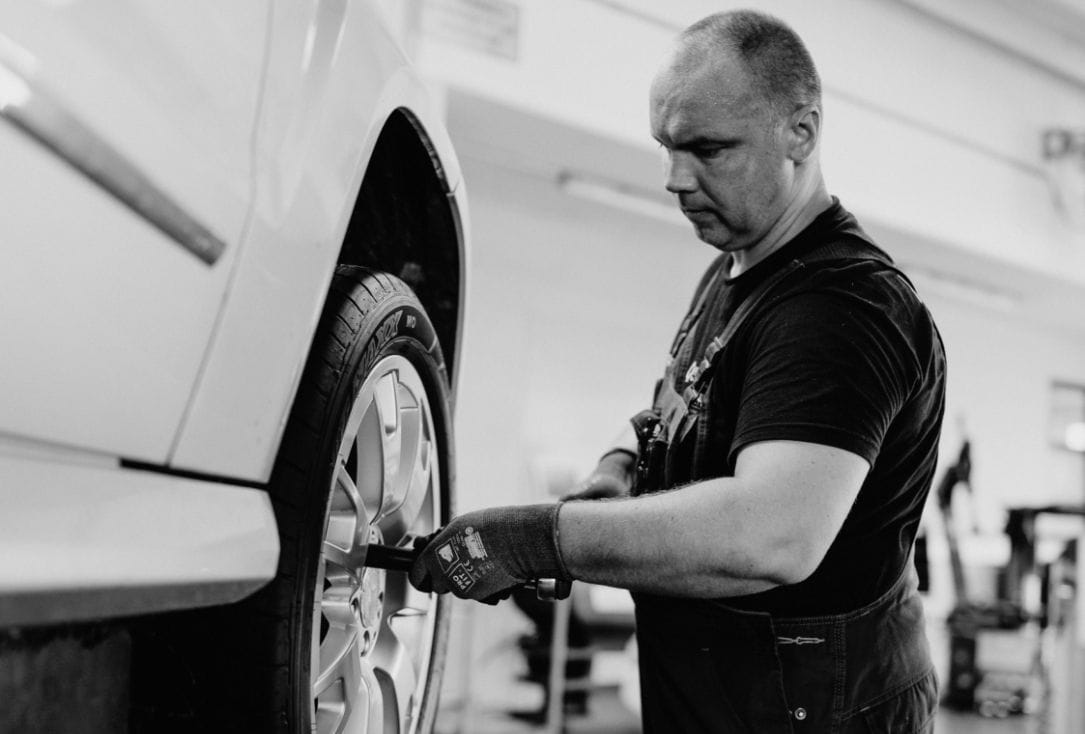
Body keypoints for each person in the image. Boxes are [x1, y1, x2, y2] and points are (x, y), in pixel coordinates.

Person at [410, 9, 946, 732]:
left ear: (801, 132)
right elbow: (676, 413)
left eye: (707, 149)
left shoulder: (842, 306)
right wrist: (619, 466)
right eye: (666, 147)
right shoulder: (731, 275)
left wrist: (537, 538)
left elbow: (771, 536)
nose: (673, 178)